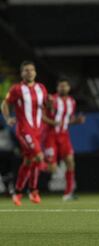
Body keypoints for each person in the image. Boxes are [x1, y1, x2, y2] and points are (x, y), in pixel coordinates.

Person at [1, 61, 48, 206]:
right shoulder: (17, 89)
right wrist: (8, 118)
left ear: (35, 72)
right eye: (26, 71)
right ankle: (33, 190)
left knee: (28, 161)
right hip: (23, 129)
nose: (29, 73)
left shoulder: (41, 88)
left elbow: (44, 107)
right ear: (22, 73)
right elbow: (4, 104)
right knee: (39, 156)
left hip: (38, 130)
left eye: (31, 70)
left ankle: (17, 192)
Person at [42, 78, 85, 201]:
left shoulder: (72, 101)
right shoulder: (52, 100)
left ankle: (68, 193)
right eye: (61, 86)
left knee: (70, 162)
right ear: (57, 88)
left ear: (68, 88)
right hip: (50, 135)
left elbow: (67, 120)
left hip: (64, 135)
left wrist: (76, 121)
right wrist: (52, 122)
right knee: (52, 168)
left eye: (65, 86)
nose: (63, 88)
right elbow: (42, 116)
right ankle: (35, 166)